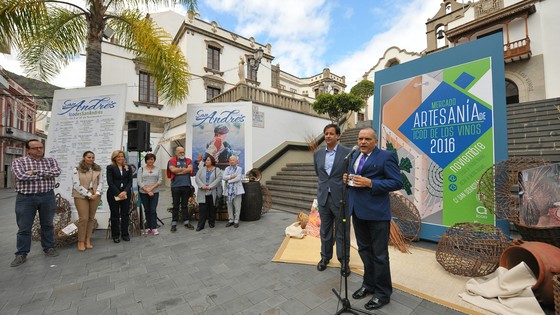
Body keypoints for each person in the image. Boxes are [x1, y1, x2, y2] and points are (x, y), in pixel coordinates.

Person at [345, 127, 403, 310]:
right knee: (364, 251)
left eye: (367, 139)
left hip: (377, 214)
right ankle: (368, 284)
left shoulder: (386, 157)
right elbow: (356, 180)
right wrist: (348, 178)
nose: (362, 142)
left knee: (379, 256)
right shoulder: (355, 156)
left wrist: (371, 183)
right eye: (360, 138)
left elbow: (397, 182)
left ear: (375, 141)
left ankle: (383, 293)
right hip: (358, 211)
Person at [10, 139, 61, 267]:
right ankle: (21, 253)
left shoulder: (50, 161)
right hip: (26, 198)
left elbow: (57, 172)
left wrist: (36, 172)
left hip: (47, 196)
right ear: (28, 150)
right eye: (35, 148)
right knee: (24, 227)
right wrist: (45, 175)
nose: (39, 150)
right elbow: (21, 176)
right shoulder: (19, 161)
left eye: (41, 147)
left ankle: (49, 247)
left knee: (47, 224)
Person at [313, 124, 352, 276]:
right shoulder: (318, 154)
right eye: (326, 134)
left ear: (338, 136)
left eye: (331, 134)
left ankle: (344, 261)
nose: (328, 136)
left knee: (342, 231)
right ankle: (325, 258)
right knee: (325, 231)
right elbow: (319, 173)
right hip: (323, 198)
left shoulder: (347, 152)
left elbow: (351, 172)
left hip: (341, 198)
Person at [71, 151, 103, 251]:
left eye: (93, 157)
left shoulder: (97, 169)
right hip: (81, 195)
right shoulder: (76, 169)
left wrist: (97, 193)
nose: (91, 159)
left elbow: (101, 182)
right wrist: (89, 195)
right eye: (89, 157)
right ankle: (80, 241)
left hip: (95, 195)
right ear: (84, 157)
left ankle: (88, 239)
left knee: (91, 218)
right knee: (83, 218)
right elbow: (76, 185)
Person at [106, 150, 132, 243]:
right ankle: (115, 235)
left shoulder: (128, 167)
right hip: (113, 194)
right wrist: (118, 193)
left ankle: (125, 234)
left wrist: (125, 191)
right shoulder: (110, 167)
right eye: (118, 156)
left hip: (126, 194)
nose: (121, 158)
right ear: (114, 158)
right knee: (115, 215)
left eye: (122, 156)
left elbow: (130, 182)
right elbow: (110, 182)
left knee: (125, 214)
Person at [167, 146, 195, 232]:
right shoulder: (171, 161)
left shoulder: (188, 160)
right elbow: (173, 170)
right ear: (176, 153)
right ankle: (174, 223)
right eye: (180, 152)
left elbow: (190, 169)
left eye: (183, 152)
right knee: (175, 205)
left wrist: (179, 171)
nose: (182, 154)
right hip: (175, 186)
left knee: (184, 205)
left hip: (186, 185)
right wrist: (184, 170)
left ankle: (186, 221)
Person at [195, 155, 223, 231]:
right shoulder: (201, 169)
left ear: (212, 161)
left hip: (212, 192)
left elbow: (219, 179)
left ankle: (211, 222)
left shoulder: (217, 170)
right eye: (206, 160)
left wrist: (210, 186)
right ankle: (200, 225)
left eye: (208, 160)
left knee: (212, 209)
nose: (206, 161)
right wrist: (202, 186)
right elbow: (197, 178)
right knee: (202, 209)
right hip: (202, 192)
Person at [138, 153, 162, 235]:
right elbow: (139, 181)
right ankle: (148, 227)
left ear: (154, 160)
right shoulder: (141, 169)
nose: (150, 161)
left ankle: (154, 227)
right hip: (144, 193)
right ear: (146, 160)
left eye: (152, 159)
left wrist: (151, 189)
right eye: (148, 159)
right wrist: (147, 190)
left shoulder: (158, 169)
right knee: (147, 210)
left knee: (153, 210)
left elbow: (159, 180)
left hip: (154, 192)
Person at [222, 156, 244, 228]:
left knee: (237, 206)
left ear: (236, 161)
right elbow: (223, 177)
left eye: (233, 160)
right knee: (229, 206)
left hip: (237, 191)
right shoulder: (227, 169)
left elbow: (238, 178)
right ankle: (231, 220)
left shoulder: (239, 169)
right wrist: (231, 176)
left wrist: (228, 180)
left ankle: (236, 220)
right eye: (230, 160)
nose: (232, 161)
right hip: (228, 191)